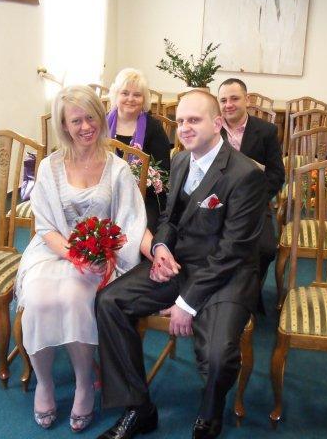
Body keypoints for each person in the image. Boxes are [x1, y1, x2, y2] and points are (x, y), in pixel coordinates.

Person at [94, 91, 265, 439]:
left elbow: (233, 251)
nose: (184, 128)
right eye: (181, 121)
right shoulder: (182, 160)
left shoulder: (246, 174)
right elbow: (169, 218)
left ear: (217, 124)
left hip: (227, 276)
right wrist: (160, 248)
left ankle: (209, 415)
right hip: (180, 264)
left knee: (218, 355)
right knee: (109, 302)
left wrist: (187, 304)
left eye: (194, 120)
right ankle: (139, 407)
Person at [15, 85, 152, 431]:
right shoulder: (49, 167)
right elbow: (45, 227)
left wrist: (114, 254)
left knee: (75, 298)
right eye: (76, 120)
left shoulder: (118, 169)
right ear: (64, 125)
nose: (86, 126)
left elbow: (131, 222)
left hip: (99, 259)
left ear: (101, 118)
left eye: (91, 117)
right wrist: (73, 253)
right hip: (53, 251)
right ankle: (45, 383)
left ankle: (83, 383)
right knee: (38, 299)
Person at [217, 78, 284, 307]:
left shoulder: (266, 131)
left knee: (265, 249)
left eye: (234, 98)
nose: (228, 105)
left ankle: (249, 292)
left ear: (247, 100)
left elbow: (276, 175)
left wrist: (253, 200)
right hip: (216, 203)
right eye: (223, 100)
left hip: (253, 204)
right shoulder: (212, 129)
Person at [107, 68, 172, 233]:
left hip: (143, 197)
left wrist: (139, 180)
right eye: (125, 93)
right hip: (105, 193)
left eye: (137, 95)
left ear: (144, 99)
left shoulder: (154, 127)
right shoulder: (101, 124)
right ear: (116, 95)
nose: (130, 99)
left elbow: (163, 170)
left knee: (139, 230)